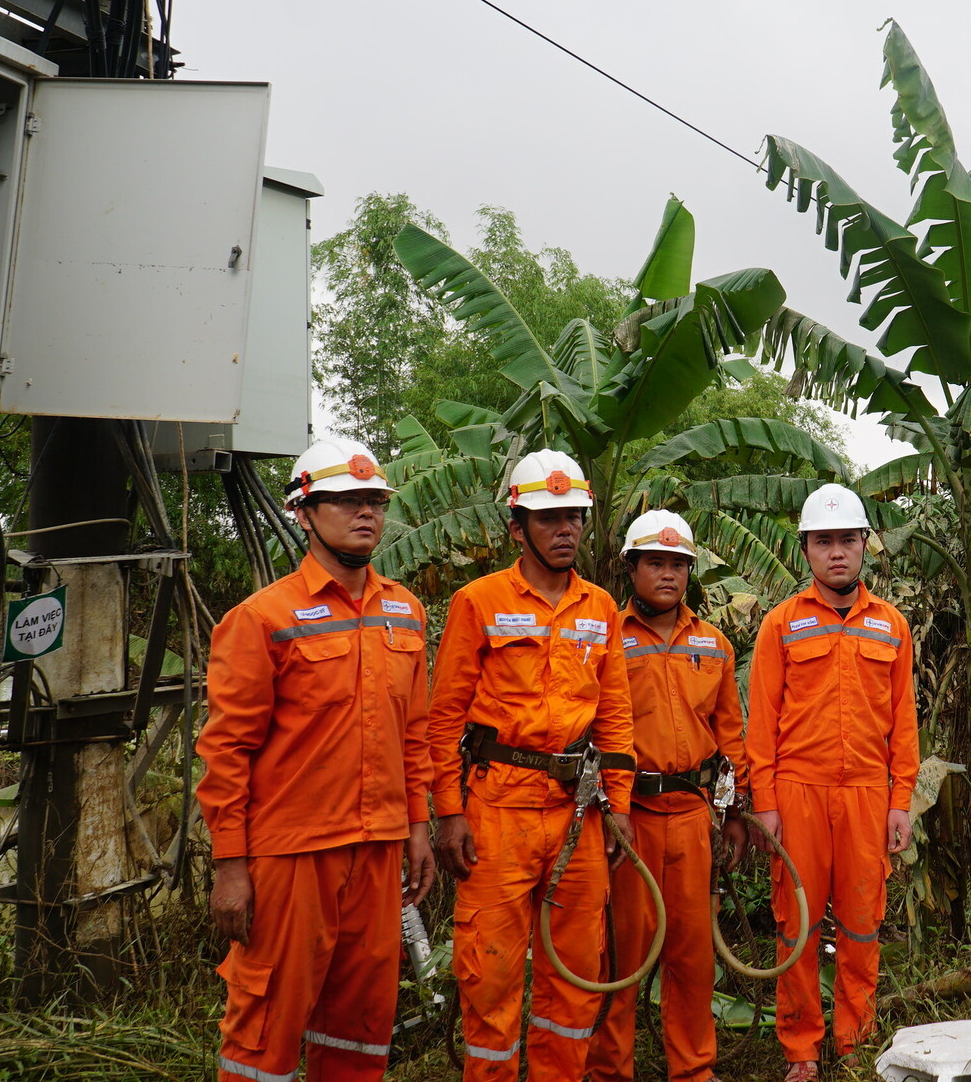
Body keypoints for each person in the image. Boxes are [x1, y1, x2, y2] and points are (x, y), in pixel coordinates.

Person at [197, 437, 434, 1082]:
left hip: (381, 849)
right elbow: (226, 751)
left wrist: (418, 828)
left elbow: (414, 735)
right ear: (304, 513)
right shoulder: (261, 618)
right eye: (347, 501)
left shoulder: (405, 611)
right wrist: (231, 866)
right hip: (292, 856)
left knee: (361, 1023)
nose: (366, 514)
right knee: (265, 1024)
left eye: (375, 502)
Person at [427, 448, 635, 1082]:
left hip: (578, 816)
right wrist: (448, 812)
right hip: (497, 812)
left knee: (575, 980)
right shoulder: (478, 601)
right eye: (549, 518)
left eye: (573, 516)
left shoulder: (600, 607)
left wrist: (619, 808)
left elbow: (617, 717)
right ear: (517, 528)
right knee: (490, 977)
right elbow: (442, 720)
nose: (565, 528)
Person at [747, 483, 918, 1082]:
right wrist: (763, 803)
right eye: (824, 542)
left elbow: (903, 722)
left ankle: (854, 1040)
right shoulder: (781, 625)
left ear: (865, 544)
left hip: (869, 793)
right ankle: (801, 1050)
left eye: (847, 539)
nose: (836, 552)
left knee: (862, 919)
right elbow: (761, 721)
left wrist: (902, 802)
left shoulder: (892, 626)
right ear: (806, 550)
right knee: (797, 921)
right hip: (797, 791)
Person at [585, 510, 749, 1082]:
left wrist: (735, 813)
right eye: (656, 562)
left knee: (693, 955)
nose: (668, 575)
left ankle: (694, 1070)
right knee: (623, 954)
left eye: (678, 565)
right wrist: (610, 811)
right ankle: (611, 1071)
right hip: (631, 818)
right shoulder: (605, 637)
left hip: (694, 817)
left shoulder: (714, 643)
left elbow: (730, 734)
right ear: (631, 567)